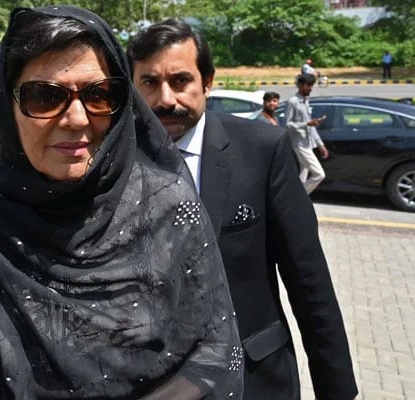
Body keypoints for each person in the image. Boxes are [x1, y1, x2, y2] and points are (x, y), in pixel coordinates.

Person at [0, 6, 243, 400]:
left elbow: (213, 356)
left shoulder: (167, 209)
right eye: (44, 96)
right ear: (6, 106)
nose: (77, 118)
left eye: (98, 94)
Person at [128, 19, 357, 400]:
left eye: (180, 81)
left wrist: (338, 390)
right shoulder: (113, 164)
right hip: (153, 384)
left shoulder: (262, 150)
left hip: (256, 378)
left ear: (208, 81)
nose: (165, 99)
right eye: (149, 83)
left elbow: (309, 280)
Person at [285, 73, 330, 194]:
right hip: (299, 144)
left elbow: (311, 126)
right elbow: (287, 124)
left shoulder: (305, 101)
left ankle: (295, 200)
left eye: (311, 85)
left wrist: (321, 145)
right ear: (300, 85)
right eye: (308, 85)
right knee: (319, 174)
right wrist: (306, 124)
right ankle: (299, 199)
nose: (310, 88)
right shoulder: (293, 102)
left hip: (307, 143)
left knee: (302, 177)